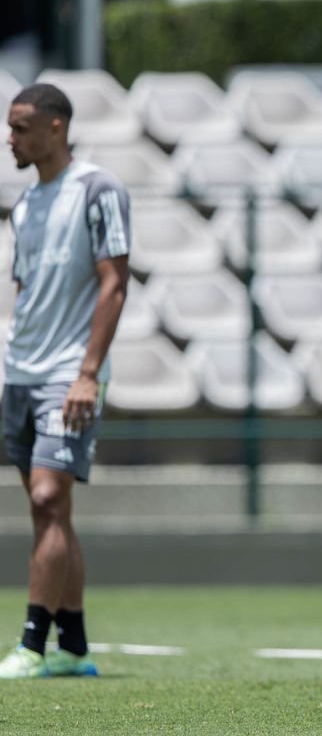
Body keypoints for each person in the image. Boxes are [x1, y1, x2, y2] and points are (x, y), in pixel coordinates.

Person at [0, 83, 130, 678]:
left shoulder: (99, 190)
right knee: (48, 510)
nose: (10, 139)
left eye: (21, 127)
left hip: (67, 377)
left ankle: (31, 643)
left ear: (57, 126)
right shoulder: (24, 206)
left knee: (50, 499)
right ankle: (74, 648)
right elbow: (25, 293)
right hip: (19, 374)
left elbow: (114, 283)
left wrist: (87, 375)